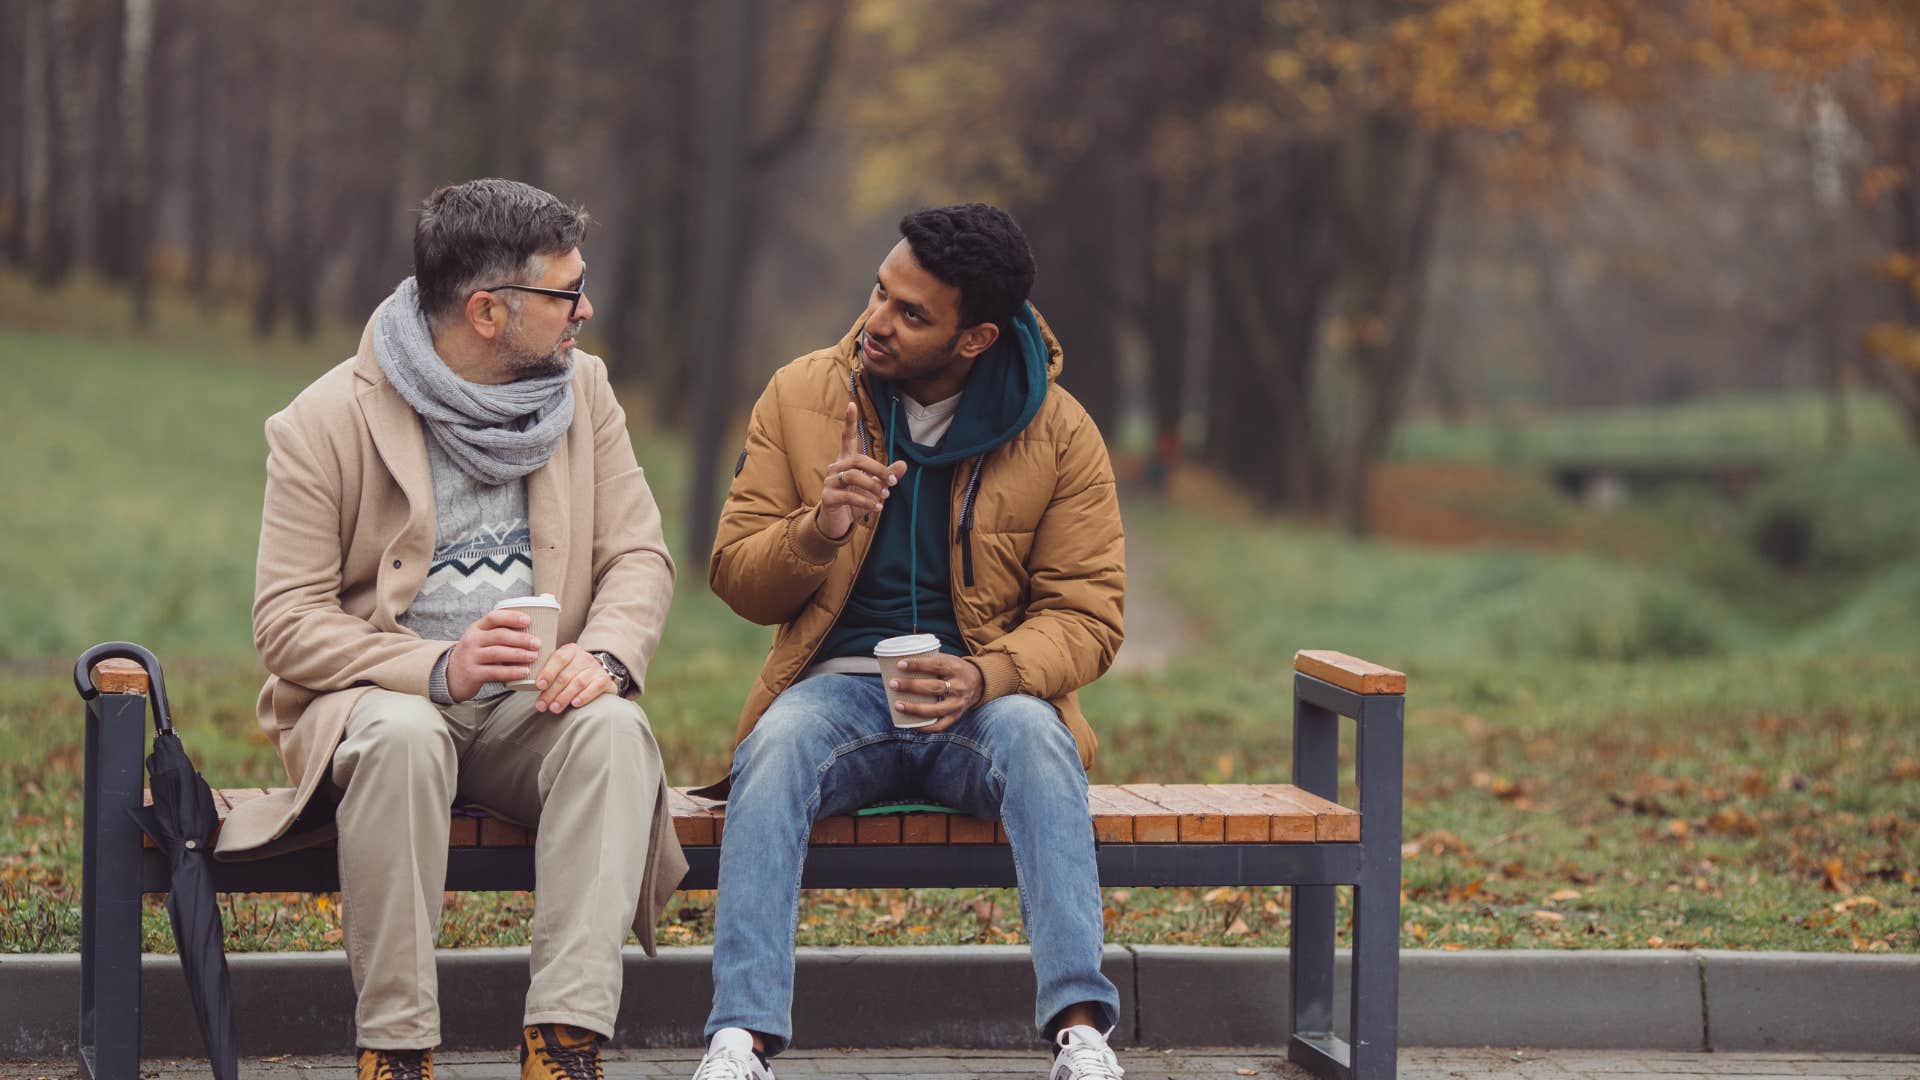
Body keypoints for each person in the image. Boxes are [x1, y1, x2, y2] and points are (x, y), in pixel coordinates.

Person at [215, 178, 686, 1080]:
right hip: (381, 706)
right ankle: (395, 1048)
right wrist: (439, 666)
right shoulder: (325, 421)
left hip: (529, 710)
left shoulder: (583, 392)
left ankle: (565, 1041)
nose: (586, 309)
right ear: (486, 312)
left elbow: (639, 557)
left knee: (617, 733)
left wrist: (607, 655)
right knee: (402, 739)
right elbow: (286, 623)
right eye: (565, 293)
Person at [691, 203, 1127, 1080]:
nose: (878, 323)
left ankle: (1082, 1035)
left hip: (983, 698)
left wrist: (985, 674)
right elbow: (736, 575)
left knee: (1042, 744)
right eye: (879, 293)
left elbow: (1089, 617)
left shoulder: (1059, 430)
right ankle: (739, 1039)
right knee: (771, 749)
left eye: (912, 313)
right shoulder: (803, 394)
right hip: (837, 691)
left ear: (975, 338)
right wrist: (817, 530)